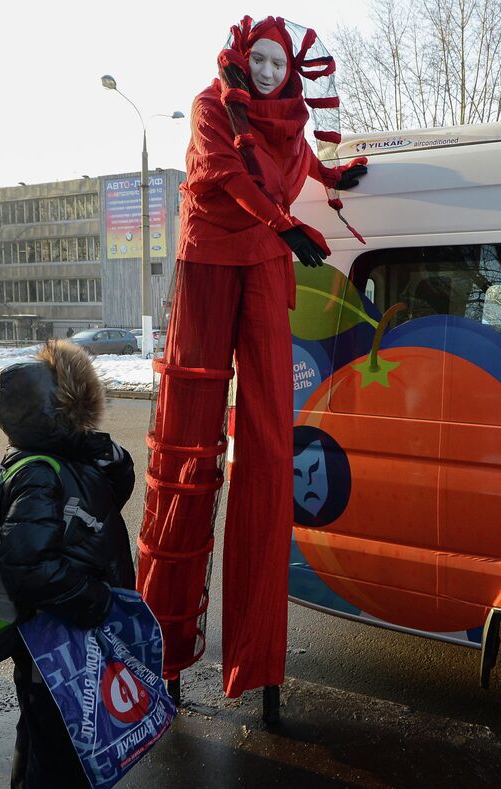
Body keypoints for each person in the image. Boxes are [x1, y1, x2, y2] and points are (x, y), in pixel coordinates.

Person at [136, 14, 367, 719]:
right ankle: (166, 657)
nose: (269, 72)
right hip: (211, 262)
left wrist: (334, 175)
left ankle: (260, 668)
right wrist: (283, 222)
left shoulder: (291, 119)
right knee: (188, 451)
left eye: (278, 63)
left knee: (269, 453)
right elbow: (228, 173)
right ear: (241, 58)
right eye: (259, 61)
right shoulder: (213, 106)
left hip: (266, 265)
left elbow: (296, 163)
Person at [0, 339, 136, 789]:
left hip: (54, 633)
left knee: (44, 739)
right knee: (61, 745)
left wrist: (93, 447)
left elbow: (112, 487)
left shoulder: (63, 465)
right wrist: (93, 601)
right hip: (56, 632)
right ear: (60, 413)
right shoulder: (39, 475)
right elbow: (29, 565)